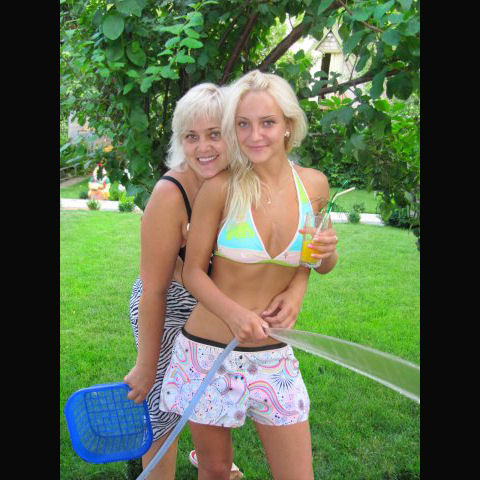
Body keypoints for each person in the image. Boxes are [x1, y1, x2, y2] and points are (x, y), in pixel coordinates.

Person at [124, 81, 324, 480]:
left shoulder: (245, 180)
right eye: (191, 137)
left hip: (226, 311)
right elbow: (155, 290)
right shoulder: (172, 193)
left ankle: (212, 455)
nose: (204, 147)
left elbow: (299, 250)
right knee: (162, 412)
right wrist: (146, 364)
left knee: (200, 413)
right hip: (169, 302)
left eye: (215, 134)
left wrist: (298, 286)